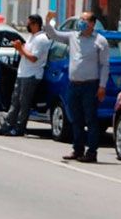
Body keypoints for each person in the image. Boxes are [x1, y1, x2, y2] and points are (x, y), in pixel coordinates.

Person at [44, 10, 110, 163]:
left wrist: (102, 86)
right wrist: (48, 23)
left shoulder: (100, 41)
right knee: (76, 118)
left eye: (85, 20)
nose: (81, 22)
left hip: (90, 86)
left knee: (91, 119)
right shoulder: (73, 36)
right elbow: (54, 35)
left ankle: (91, 151)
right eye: (80, 19)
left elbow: (105, 65)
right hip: (73, 84)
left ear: (92, 23)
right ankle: (77, 149)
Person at [0, 14, 51, 137]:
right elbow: (25, 54)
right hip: (22, 73)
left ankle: (20, 128)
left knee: (24, 102)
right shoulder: (32, 37)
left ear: (35, 24)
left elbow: (34, 58)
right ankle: (8, 125)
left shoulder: (41, 39)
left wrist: (20, 49)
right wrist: (21, 48)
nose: (27, 26)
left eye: (29, 23)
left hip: (32, 74)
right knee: (15, 101)